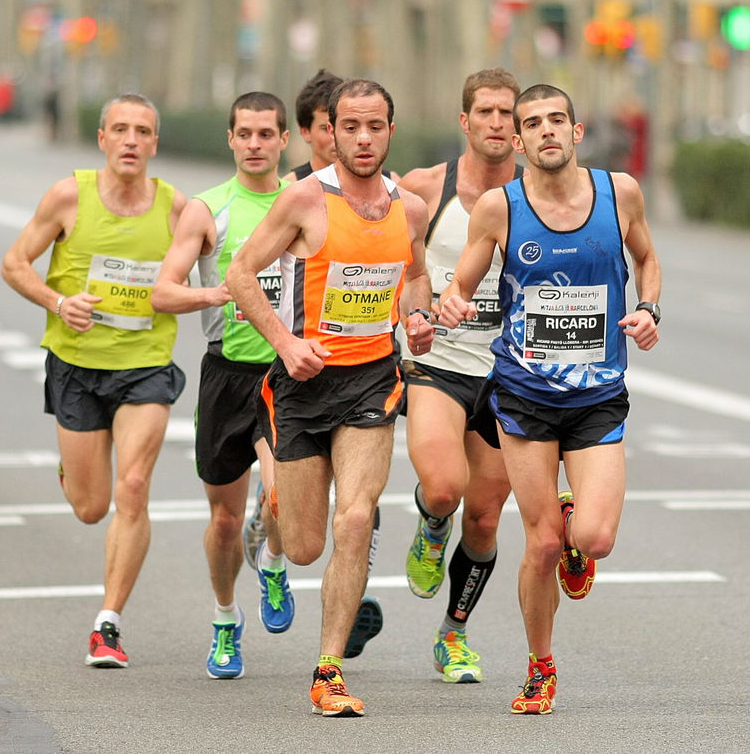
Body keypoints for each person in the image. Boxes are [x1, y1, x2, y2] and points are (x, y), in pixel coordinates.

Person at [438, 83, 662, 714]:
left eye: (555, 120)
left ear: (576, 130)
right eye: (530, 123)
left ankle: (573, 525)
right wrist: (450, 305)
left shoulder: (619, 193)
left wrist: (647, 310)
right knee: (539, 544)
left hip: (597, 395)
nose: (544, 131)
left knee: (593, 539)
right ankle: (540, 665)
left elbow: (647, 260)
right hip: (524, 396)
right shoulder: (498, 207)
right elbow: (460, 287)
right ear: (517, 140)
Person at [226, 79, 435, 717]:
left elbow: (417, 274)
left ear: (390, 130)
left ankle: (329, 670)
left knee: (356, 518)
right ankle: (267, 528)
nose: (363, 139)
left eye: (375, 126)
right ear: (332, 133)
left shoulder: (413, 209)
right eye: (351, 127)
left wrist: (418, 318)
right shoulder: (303, 201)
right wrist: (286, 343)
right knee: (306, 542)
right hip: (301, 384)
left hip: (372, 378)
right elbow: (240, 274)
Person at [1, 93, 187, 668]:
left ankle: (108, 623)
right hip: (77, 367)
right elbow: (13, 263)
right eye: (121, 130)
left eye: (144, 132)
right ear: (102, 138)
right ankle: (73, 466)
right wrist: (59, 302)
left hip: (145, 366)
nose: (132, 141)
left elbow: (228, 263)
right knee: (90, 506)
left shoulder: (176, 209)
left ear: (155, 144)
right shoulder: (67, 196)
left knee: (133, 488)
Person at [151, 92, 293, 680]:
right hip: (227, 375)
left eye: (267, 134)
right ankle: (225, 619)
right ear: (230, 140)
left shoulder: (306, 202)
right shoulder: (209, 209)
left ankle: (277, 563)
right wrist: (219, 293)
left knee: (285, 494)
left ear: (286, 140)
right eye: (246, 134)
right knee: (226, 521)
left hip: (288, 372)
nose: (256, 145)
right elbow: (163, 290)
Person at [394, 68, 522, 684]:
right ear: (465, 121)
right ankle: (429, 523)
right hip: (437, 364)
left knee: (488, 518)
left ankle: (454, 633)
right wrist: (418, 313)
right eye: (487, 112)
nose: (497, 123)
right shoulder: (422, 188)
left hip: (508, 377)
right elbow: (394, 268)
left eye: (508, 114)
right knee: (445, 488)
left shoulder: (538, 196)